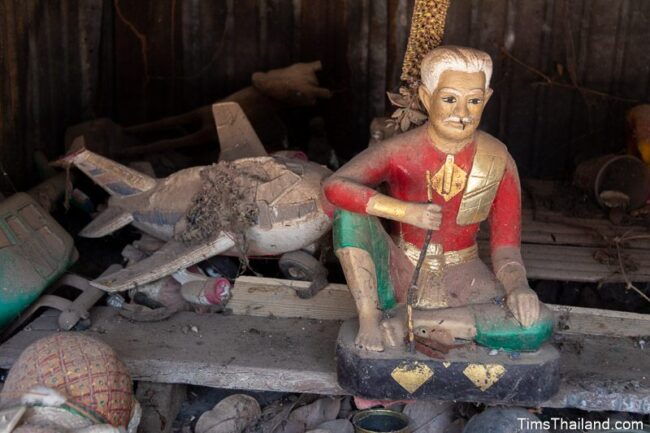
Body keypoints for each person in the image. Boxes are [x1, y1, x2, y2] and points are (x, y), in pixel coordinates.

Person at [323, 46, 552, 352]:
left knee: (537, 323)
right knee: (348, 212)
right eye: (449, 100)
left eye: (473, 101)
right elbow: (335, 186)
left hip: (464, 277)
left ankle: (413, 323)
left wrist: (519, 287)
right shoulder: (400, 151)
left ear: (486, 98)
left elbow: (506, 249)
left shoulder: (497, 159)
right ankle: (370, 317)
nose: (462, 114)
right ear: (427, 98)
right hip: (400, 267)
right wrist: (403, 211)